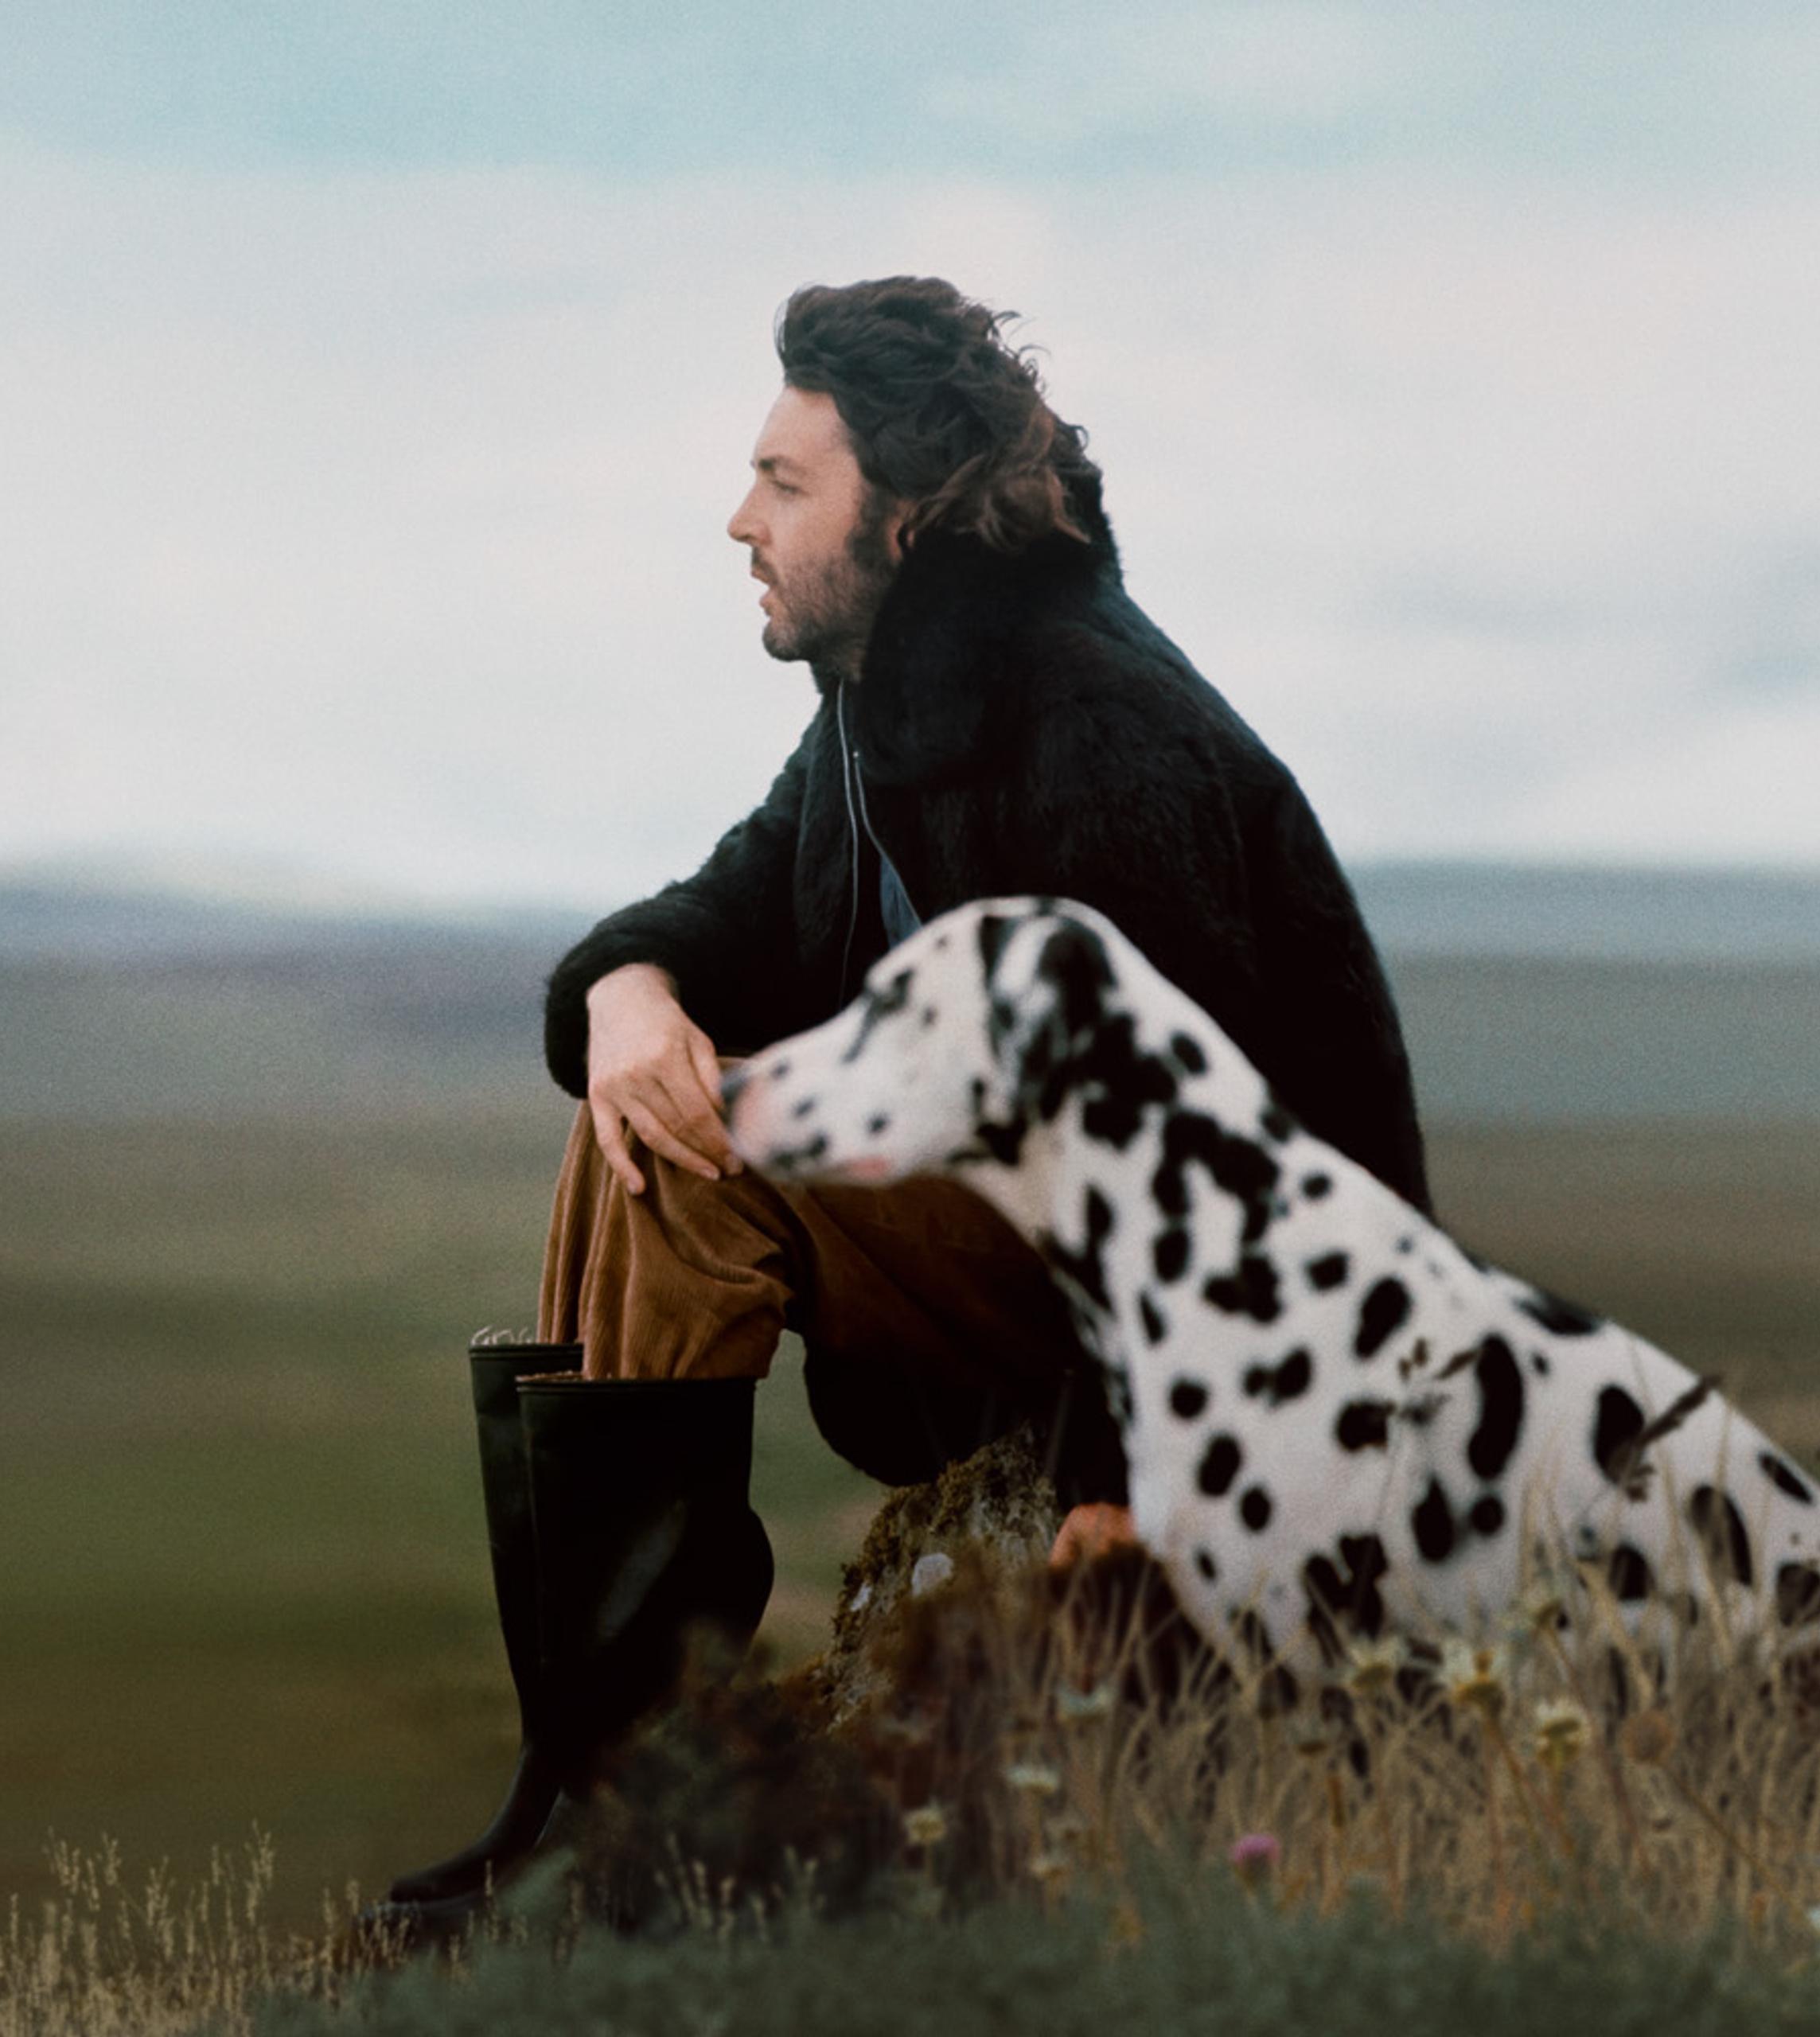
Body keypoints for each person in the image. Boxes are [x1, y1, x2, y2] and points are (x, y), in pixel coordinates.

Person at [373, 275, 1430, 1930]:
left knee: (708, 1153)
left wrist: (1114, 1477)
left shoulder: (1095, 721)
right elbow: (700, 923)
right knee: (642, 1110)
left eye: (787, 484)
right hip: (1038, 1273)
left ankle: (653, 1809)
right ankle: (589, 1777)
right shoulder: (875, 714)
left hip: (1249, 1340)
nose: (739, 520)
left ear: (916, 516)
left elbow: (1193, 1157)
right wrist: (629, 997)